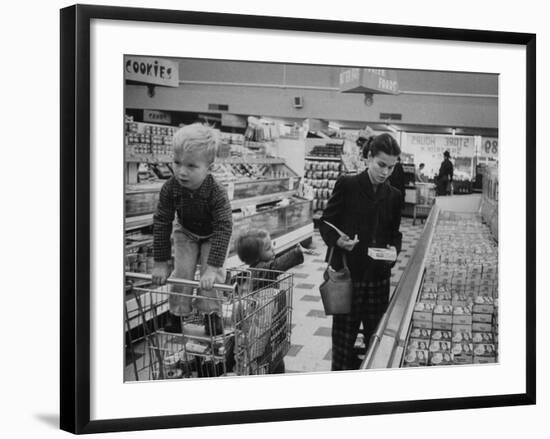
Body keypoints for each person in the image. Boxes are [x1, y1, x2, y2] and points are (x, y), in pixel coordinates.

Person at [319, 133, 403, 371]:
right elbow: (325, 222)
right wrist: (338, 240)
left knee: (375, 341)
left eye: (391, 167)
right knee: (344, 343)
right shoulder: (348, 185)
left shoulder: (394, 196)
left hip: (378, 278)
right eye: (381, 165)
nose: (386, 172)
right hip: (349, 276)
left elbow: (395, 233)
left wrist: (394, 250)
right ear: (368, 158)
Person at [151, 123, 233, 334]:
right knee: (182, 273)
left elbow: (224, 228)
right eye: (177, 163)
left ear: (210, 167)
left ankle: (211, 313)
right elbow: (162, 221)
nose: (181, 171)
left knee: (211, 278)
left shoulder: (216, 192)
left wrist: (213, 268)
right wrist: (160, 262)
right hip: (185, 232)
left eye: (191, 166)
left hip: (213, 235)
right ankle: (177, 313)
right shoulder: (170, 188)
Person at [235, 229, 308, 373]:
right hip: (263, 326)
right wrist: (295, 254)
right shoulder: (259, 271)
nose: (273, 250)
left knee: (274, 353)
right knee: (269, 357)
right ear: (256, 257)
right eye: (268, 248)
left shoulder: (260, 266)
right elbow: (275, 266)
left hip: (269, 322)